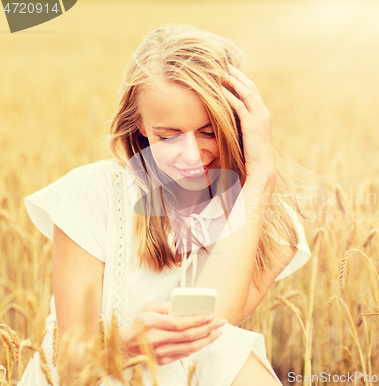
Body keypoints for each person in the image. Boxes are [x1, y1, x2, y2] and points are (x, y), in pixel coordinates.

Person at [18, 24, 312, 385]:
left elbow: (211, 324)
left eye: (209, 132)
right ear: (139, 124)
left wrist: (261, 178)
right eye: (168, 136)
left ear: (240, 124)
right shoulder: (92, 195)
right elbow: (68, 365)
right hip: (93, 378)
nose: (191, 155)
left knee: (228, 349)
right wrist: (126, 347)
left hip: (186, 372)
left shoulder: (272, 224)